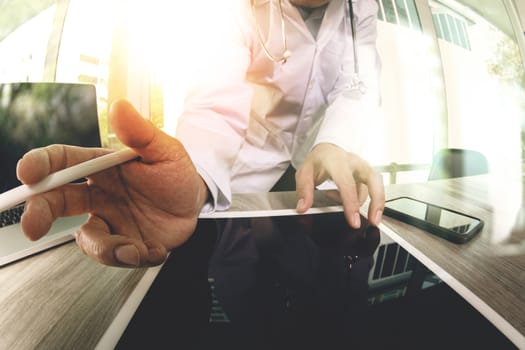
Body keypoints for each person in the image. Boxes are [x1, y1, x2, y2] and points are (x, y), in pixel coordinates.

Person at [16, 0, 385, 268]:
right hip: (244, 164)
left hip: (314, 162)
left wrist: (335, 141)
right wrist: (193, 180)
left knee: (305, 268)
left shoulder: (362, 8)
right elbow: (215, 103)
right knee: (231, 270)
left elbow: (358, 84)